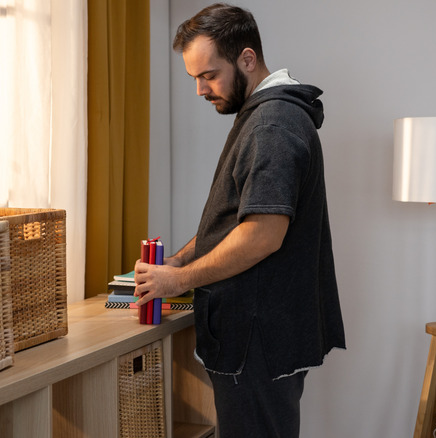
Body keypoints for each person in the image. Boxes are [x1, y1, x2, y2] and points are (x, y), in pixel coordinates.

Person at [133, 3, 346, 437]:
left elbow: (262, 234)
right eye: (194, 77)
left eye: (208, 75)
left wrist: (179, 281)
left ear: (247, 59)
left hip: (257, 341)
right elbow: (232, 218)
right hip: (262, 337)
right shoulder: (264, 114)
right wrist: (176, 261)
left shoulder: (272, 123)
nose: (200, 89)